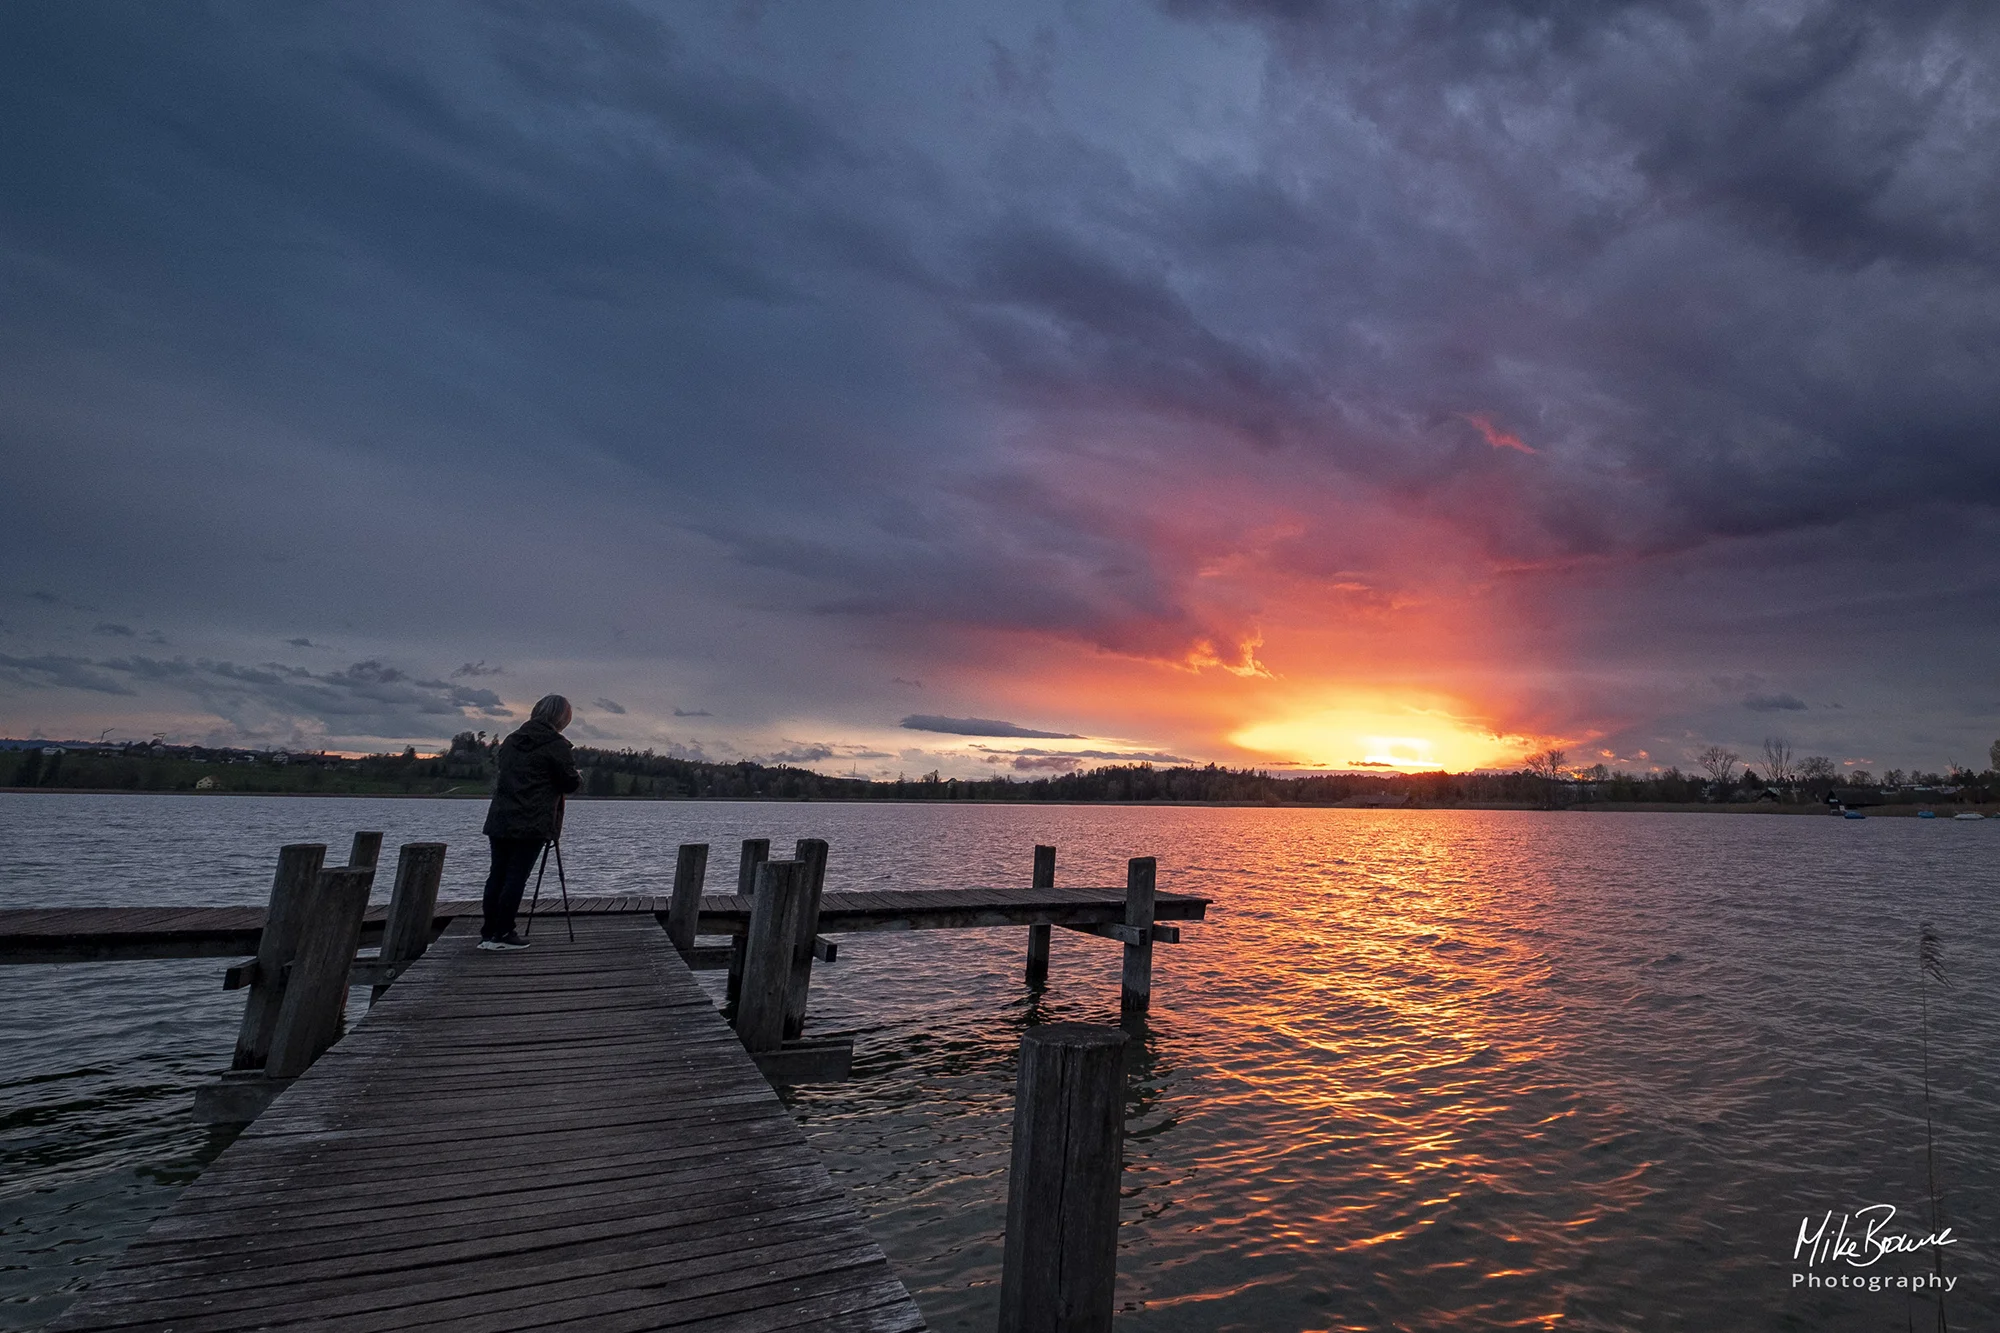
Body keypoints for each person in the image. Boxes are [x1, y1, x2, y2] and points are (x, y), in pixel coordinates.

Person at [478, 693, 581, 950]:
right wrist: (578, 776)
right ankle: (504, 933)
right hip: (532, 821)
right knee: (516, 877)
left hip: (501, 817)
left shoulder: (512, 741)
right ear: (562, 717)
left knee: (497, 876)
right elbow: (569, 783)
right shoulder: (556, 745)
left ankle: (489, 932)